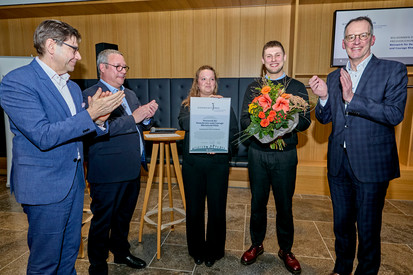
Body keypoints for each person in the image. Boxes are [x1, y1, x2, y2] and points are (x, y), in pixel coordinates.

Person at [0, 19, 124, 274]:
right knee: (45, 262)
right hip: (45, 186)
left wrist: (98, 121)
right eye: (73, 48)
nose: (79, 56)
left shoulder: (72, 87)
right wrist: (90, 115)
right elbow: (43, 135)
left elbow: (77, 132)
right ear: (51, 46)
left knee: (69, 255)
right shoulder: (17, 82)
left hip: (74, 183)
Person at [309, 16, 407, 275]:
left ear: (372, 39)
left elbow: (395, 114)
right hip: (338, 165)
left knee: (368, 228)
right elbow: (324, 118)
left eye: (362, 36)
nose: (356, 41)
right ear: (343, 44)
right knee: (341, 225)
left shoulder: (393, 71)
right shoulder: (334, 76)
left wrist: (352, 98)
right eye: (351, 37)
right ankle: (341, 268)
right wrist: (323, 99)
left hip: (371, 165)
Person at [83, 49, 158, 275]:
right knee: (102, 221)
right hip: (107, 172)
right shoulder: (91, 95)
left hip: (131, 168)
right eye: (118, 67)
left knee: (124, 217)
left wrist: (146, 116)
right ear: (102, 68)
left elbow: (136, 125)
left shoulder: (130, 94)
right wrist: (133, 118)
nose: (123, 71)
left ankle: (121, 251)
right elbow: (95, 130)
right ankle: (97, 264)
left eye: (125, 67)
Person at [240, 40, 311, 274]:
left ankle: (286, 250)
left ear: (284, 57)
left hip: (285, 155)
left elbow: (305, 121)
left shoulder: (297, 87)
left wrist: (282, 125)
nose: (273, 60)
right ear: (262, 60)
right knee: (257, 203)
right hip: (258, 154)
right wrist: (265, 129)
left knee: (284, 205)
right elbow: (243, 120)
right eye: (268, 56)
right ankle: (256, 244)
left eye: (277, 55)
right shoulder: (253, 87)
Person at [178, 65, 238, 267]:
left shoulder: (224, 105)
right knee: (194, 209)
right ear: (197, 82)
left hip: (217, 163)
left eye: (211, 79)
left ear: (216, 83)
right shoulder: (187, 105)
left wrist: (220, 145)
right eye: (203, 79)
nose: (208, 83)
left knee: (216, 209)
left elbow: (234, 133)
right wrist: (205, 107)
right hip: (193, 164)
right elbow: (185, 124)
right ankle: (196, 249)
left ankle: (214, 251)